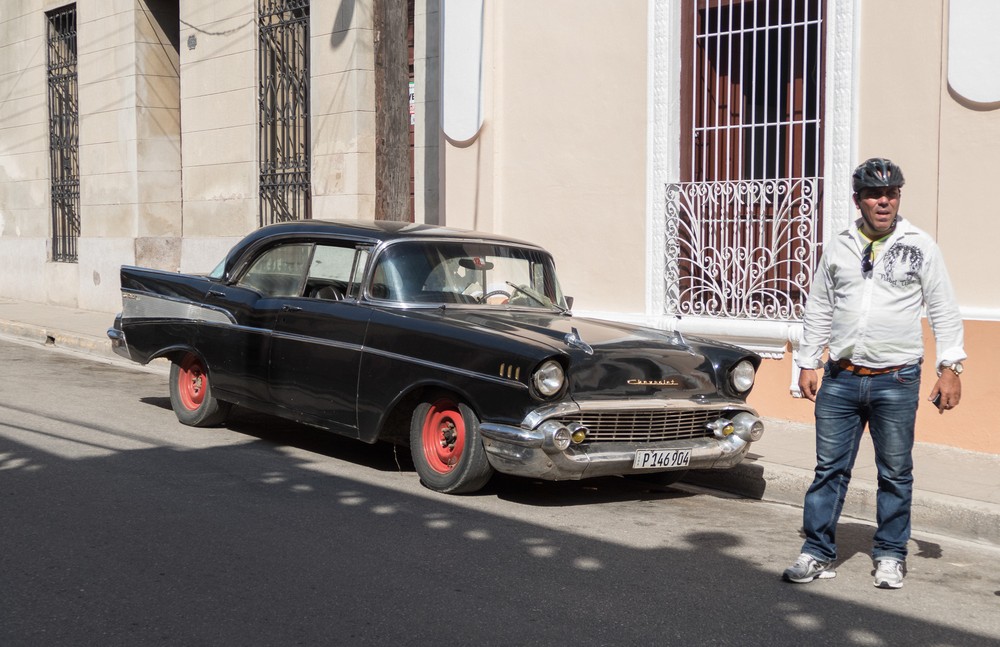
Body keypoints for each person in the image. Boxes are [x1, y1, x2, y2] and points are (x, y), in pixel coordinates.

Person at [782, 157, 966, 589]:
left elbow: (943, 309)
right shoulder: (839, 245)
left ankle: (889, 554)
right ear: (858, 200)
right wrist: (807, 361)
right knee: (829, 469)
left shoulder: (921, 244)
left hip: (897, 379)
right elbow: (819, 307)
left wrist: (950, 366)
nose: (884, 201)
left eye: (892, 193)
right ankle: (817, 551)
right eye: (874, 194)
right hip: (841, 378)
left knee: (895, 472)